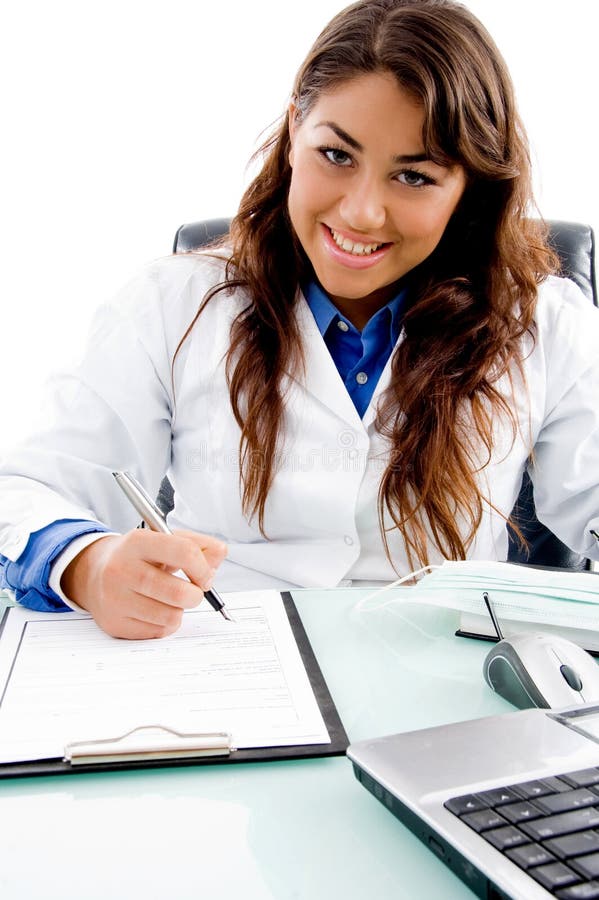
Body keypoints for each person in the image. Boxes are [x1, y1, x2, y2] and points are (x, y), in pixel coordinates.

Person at [1, 0, 598, 640]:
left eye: (415, 176)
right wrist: (90, 567)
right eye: (337, 155)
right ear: (294, 132)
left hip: (449, 688)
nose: (363, 212)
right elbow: (29, 491)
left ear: (469, 188)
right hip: (231, 673)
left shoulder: (544, 323)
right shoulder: (170, 303)